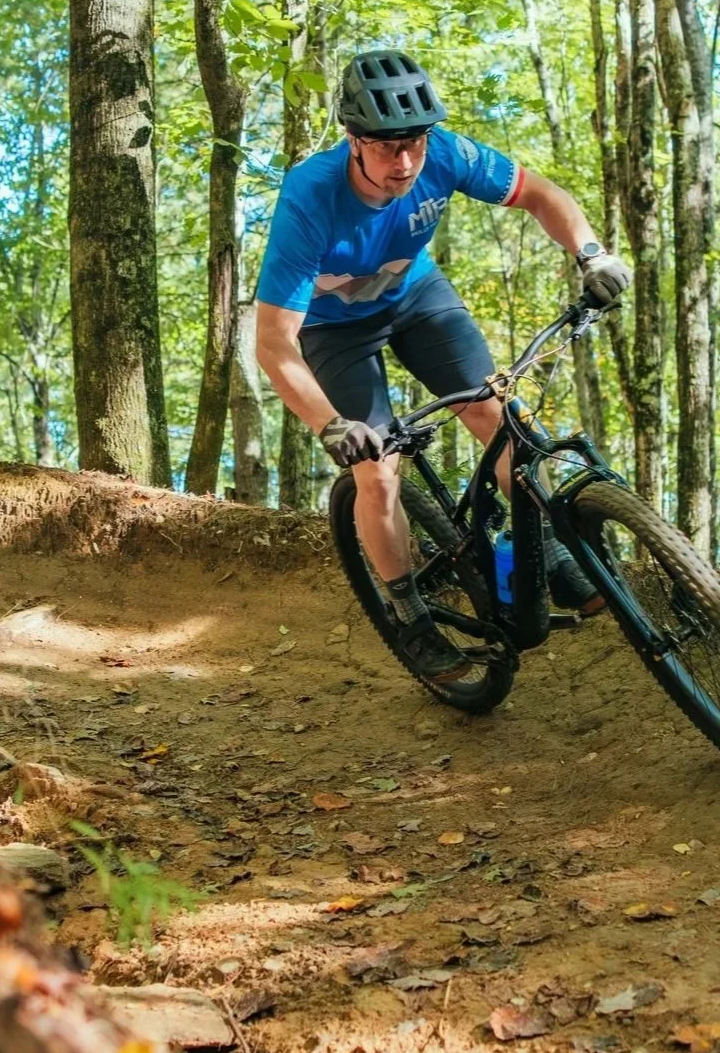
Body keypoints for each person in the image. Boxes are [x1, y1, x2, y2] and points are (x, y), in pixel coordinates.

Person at [254, 49, 632, 684]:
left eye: (414, 143)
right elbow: (274, 344)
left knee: (501, 420)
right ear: (353, 140)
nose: (404, 162)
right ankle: (409, 613)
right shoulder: (310, 197)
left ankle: (557, 558)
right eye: (385, 147)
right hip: (331, 330)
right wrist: (330, 425)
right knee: (377, 472)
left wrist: (591, 253)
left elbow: (541, 194)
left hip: (416, 301)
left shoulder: (446, 154)